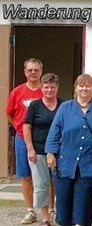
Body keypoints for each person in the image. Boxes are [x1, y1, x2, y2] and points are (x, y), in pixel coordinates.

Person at [45, 74, 92, 226]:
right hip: (65, 161)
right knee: (63, 201)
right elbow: (55, 131)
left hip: (88, 163)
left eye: (88, 85)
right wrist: (50, 153)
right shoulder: (65, 107)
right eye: (81, 85)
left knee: (83, 202)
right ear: (76, 88)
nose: (84, 88)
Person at [6, 57, 43, 224]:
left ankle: (50, 209)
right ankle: (30, 211)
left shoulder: (46, 90)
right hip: (22, 139)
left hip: (42, 139)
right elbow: (9, 113)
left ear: (41, 71)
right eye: (30, 70)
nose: (33, 73)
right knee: (26, 176)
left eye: (36, 70)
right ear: (25, 72)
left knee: (47, 176)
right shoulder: (17, 92)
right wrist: (18, 127)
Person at [23, 73, 62, 226]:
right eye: (46, 87)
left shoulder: (64, 105)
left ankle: (57, 213)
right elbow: (27, 127)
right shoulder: (35, 105)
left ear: (57, 88)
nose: (49, 90)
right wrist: (30, 149)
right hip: (38, 151)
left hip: (59, 152)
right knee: (41, 185)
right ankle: (45, 217)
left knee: (58, 183)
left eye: (52, 87)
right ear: (41, 87)